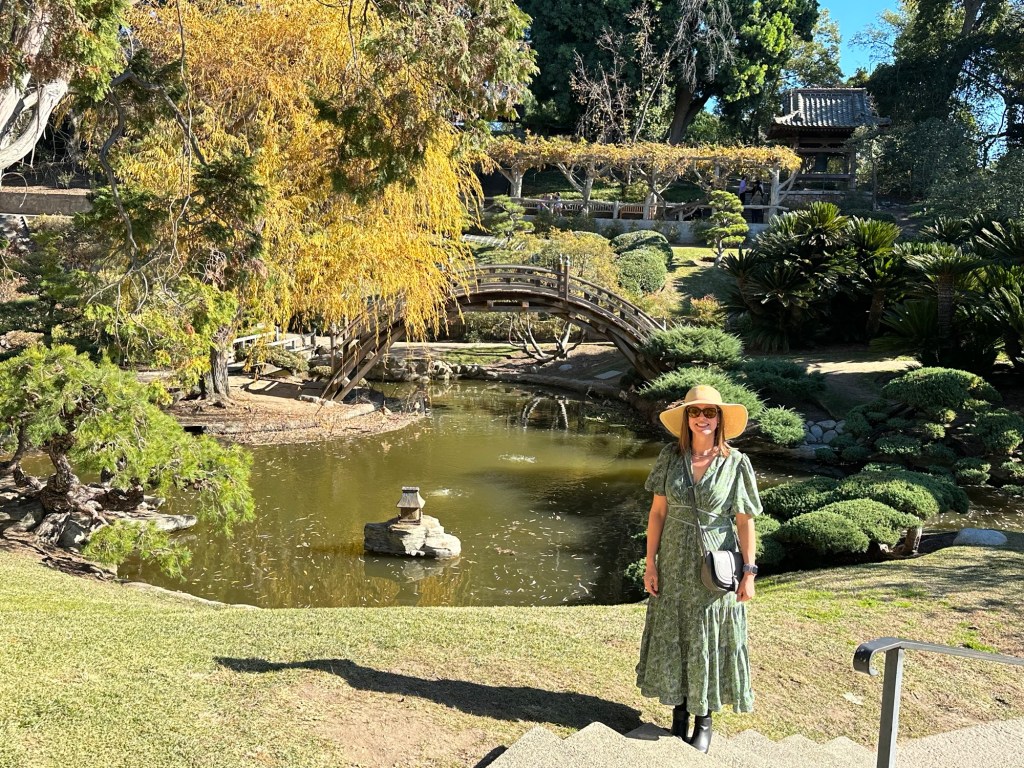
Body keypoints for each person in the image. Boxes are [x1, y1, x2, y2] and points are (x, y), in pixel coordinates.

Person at [636, 385, 762, 754]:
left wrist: (749, 572)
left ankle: (703, 718)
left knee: (707, 636)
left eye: (710, 413)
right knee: (677, 633)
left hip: (715, 565)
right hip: (673, 561)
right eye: (695, 412)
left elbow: (744, 521)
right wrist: (650, 563)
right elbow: (658, 513)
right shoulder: (670, 457)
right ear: (686, 419)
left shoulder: (736, 463)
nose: (702, 419)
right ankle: (678, 713)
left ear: (720, 419)